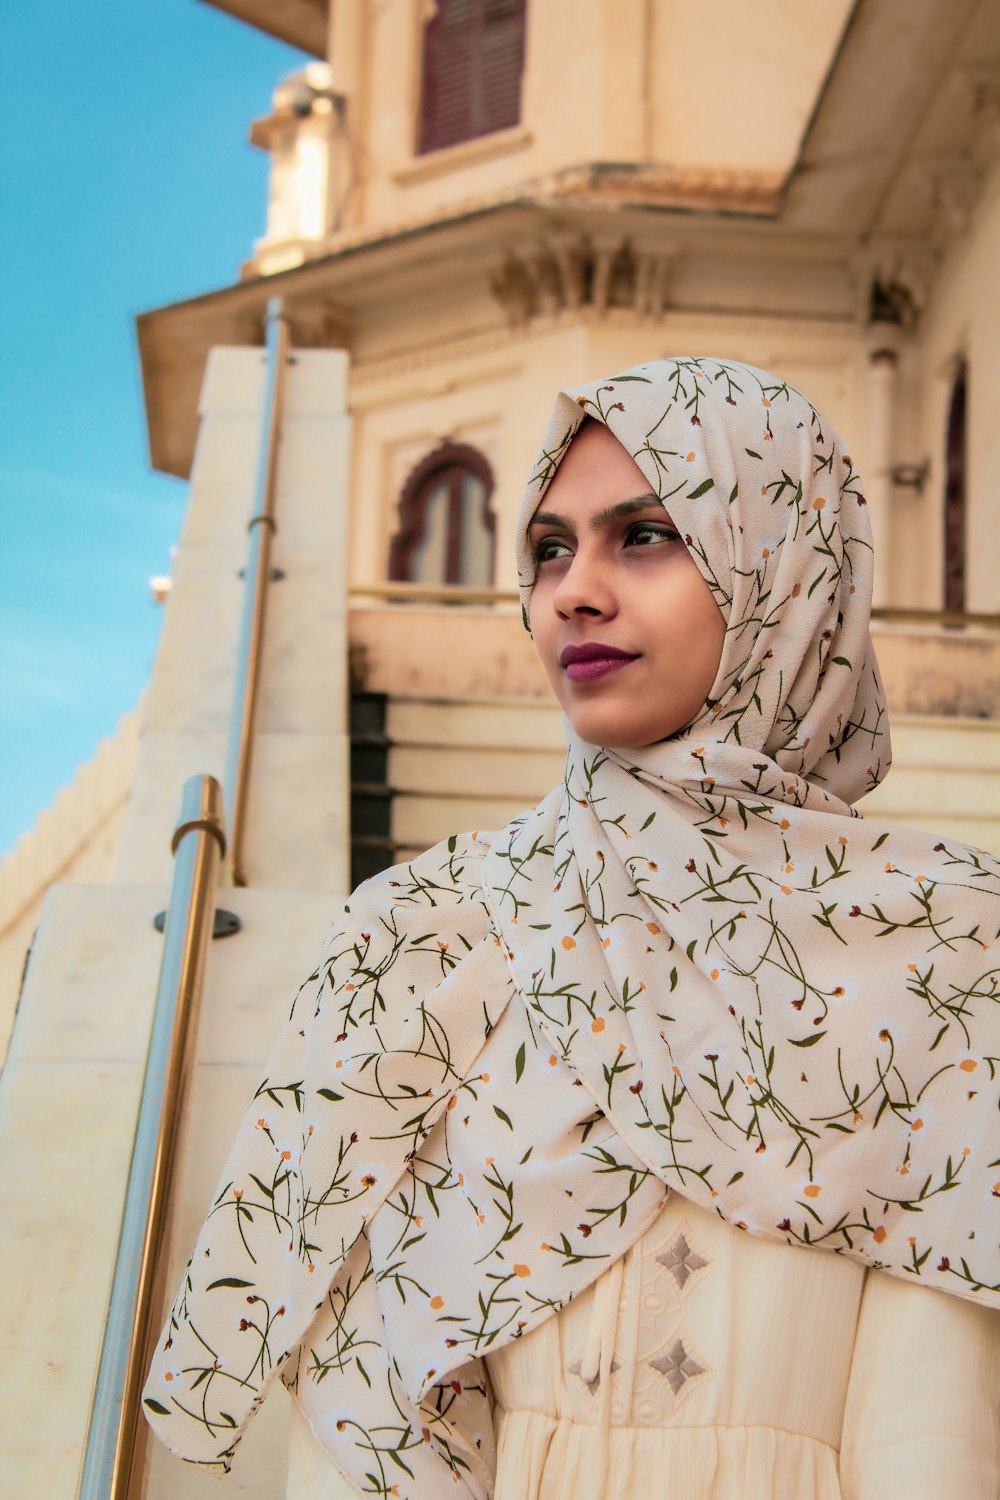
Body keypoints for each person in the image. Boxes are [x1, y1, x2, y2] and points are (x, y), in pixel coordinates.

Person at [145, 358, 1000, 1499]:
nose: (573, 593)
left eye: (644, 535)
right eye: (549, 548)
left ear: (787, 566)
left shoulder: (943, 945)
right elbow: (367, 1401)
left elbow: (935, 1422)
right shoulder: (429, 933)